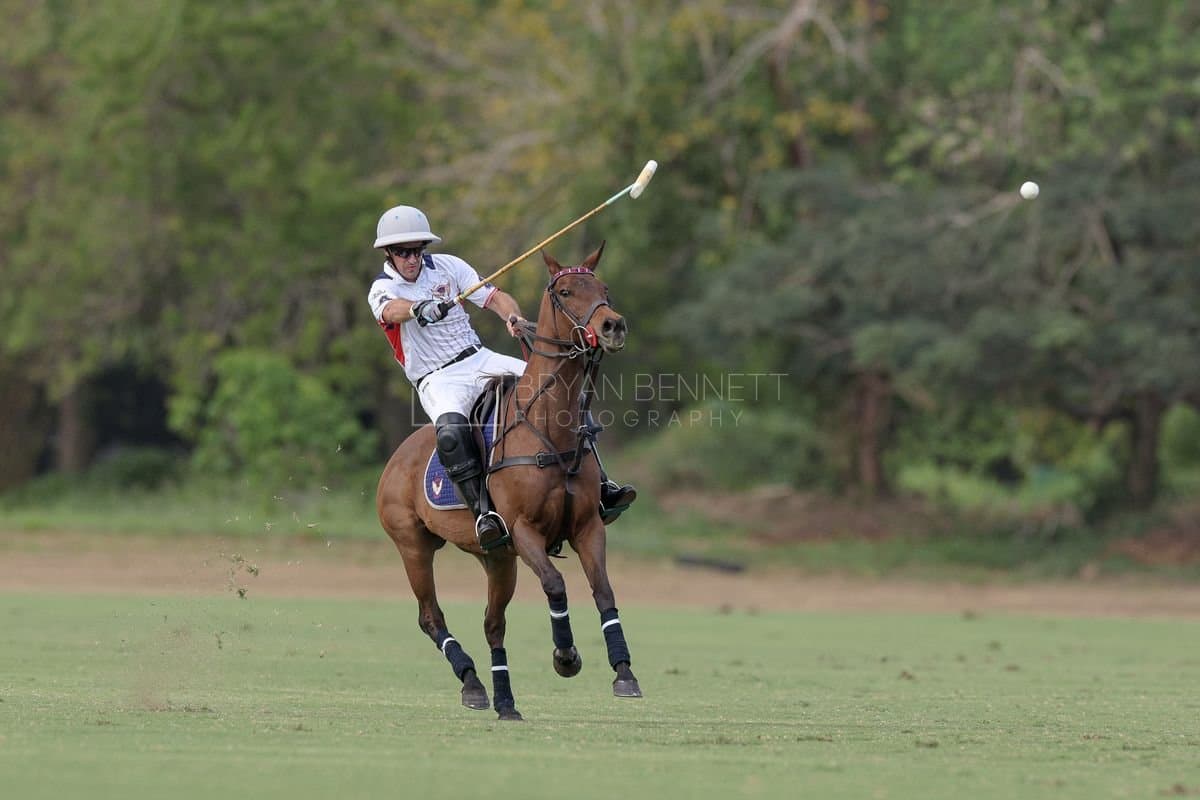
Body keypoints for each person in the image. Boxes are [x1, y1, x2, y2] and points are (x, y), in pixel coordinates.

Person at [367, 205, 636, 550]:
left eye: (417, 250)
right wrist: (420, 308)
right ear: (389, 252)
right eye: (403, 252)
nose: (411, 258)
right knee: (450, 432)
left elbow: (494, 298)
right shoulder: (382, 288)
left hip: (479, 358)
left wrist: (513, 318)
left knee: (562, 391)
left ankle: (601, 485)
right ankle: (484, 514)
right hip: (437, 377)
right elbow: (392, 311)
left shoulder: (450, 267)